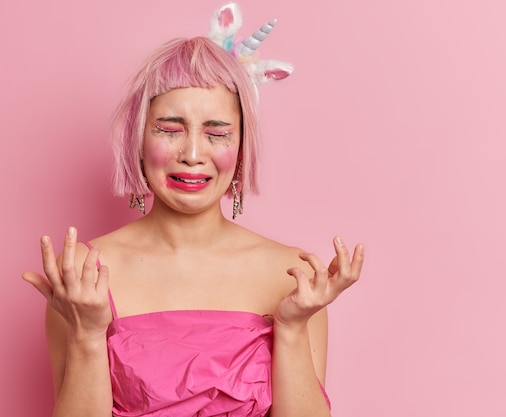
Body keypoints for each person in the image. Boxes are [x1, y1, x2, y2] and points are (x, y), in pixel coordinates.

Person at [22, 4, 364, 417]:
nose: (193, 154)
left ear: (241, 150)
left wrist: (290, 330)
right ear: (138, 141)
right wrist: (88, 336)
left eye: (217, 133)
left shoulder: (292, 274)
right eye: (169, 130)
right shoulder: (83, 273)